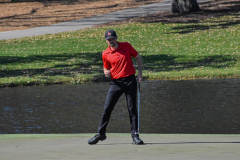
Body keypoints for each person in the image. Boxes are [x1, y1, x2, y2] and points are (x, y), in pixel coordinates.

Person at [88, 29, 144, 145]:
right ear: (106, 41)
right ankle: (101, 134)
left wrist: (139, 74)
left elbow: (138, 57)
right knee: (107, 108)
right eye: (109, 40)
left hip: (130, 81)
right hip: (116, 84)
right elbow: (105, 67)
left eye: (112, 38)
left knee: (132, 109)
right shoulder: (105, 54)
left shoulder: (126, 46)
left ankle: (135, 136)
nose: (111, 41)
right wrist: (105, 72)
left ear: (116, 38)